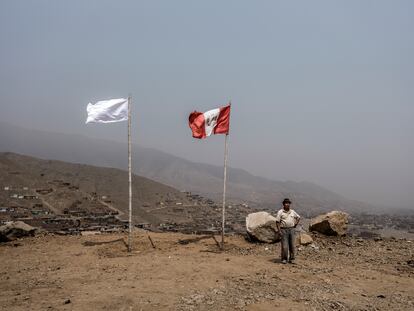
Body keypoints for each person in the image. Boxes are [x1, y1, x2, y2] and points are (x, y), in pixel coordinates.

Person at [275, 198, 300, 264]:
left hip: (291, 229)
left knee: (292, 245)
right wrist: (279, 230)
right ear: (283, 204)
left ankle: (292, 259)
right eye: (286, 203)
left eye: (288, 203)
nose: (287, 204)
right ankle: (284, 259)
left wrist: (295, 224)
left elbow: (298, 217)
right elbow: (277, 221)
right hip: (283, 230)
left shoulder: (292, 211)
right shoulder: (280, 212)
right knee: (285, 246)